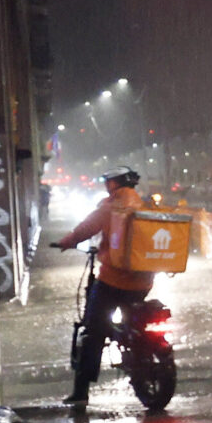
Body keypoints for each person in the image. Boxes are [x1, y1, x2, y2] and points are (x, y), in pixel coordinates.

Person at [53, 166, 153, 407]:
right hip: (144, 282)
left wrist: (66, 242)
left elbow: (85, 229)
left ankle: (81, 392)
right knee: (135, 319)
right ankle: (136, 350)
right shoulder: (146, 208)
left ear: (113, 184)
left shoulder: (110, 208)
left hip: (112, 281)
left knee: (94, 331)